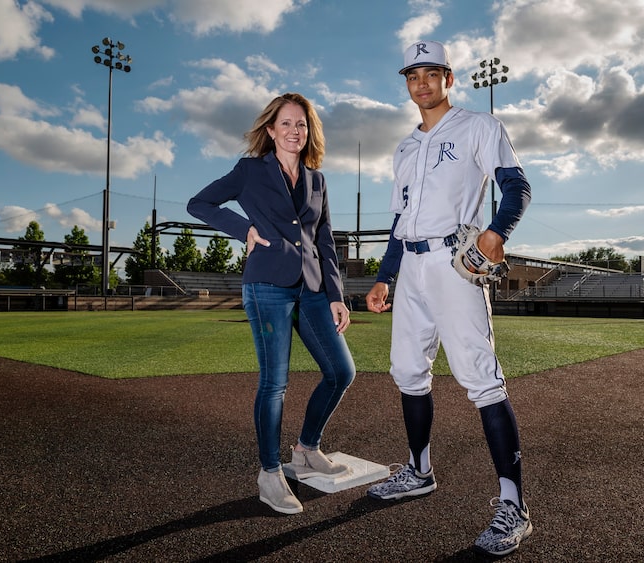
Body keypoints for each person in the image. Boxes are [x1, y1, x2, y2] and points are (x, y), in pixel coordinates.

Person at [364, 41, 533, 557]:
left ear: (448, 78)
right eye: (412, 75)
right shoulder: (404, 147)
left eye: (430, 73)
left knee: (481, 378)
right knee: (407, 371)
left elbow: (516, 186)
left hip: (454, 262)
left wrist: (497, 232)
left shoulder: (479, 126)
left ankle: (514, 505)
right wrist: (384, 277)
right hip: (410, 266)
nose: (420, 83)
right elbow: (398, 222)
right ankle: (418, 470)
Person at [187, 93, 356, 515]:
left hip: (313, 288)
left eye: (301, 124)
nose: (294, 131)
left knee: (341, 371)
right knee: (274, 382)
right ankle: (269, 473)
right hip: (267, 287)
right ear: (270, 130)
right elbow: (199, 203)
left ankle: (305, 448)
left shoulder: (317, 179)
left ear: (308, 131)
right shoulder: (249, 170)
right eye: (286, 123)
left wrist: (336, 295)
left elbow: (324, 239)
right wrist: (242, 228)